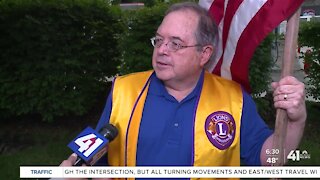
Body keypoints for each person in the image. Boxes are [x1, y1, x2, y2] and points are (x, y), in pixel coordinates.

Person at [59, 1, 306, 179]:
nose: (162, 50)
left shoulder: (233, 99)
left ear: (204, 54)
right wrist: (75, 165)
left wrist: (295, 121)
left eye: (176, 43)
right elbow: (94, 154)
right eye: (159, 40)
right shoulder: (123, 89)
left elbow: (270, 160)